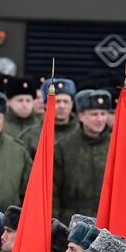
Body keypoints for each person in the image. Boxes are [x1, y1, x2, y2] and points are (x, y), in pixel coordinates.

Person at [52, 88, 112, 223]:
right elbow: (53, 192)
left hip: (108, 223)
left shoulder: (115, 146)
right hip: (72, 221)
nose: (99, 119)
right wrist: (57, 223)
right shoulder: (63, 147)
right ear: (81, 116)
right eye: (94, 114)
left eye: (103, 114)